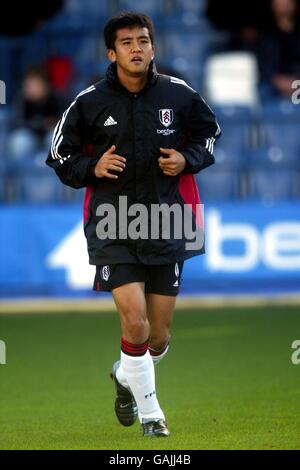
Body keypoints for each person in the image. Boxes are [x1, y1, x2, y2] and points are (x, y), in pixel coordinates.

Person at [46, 12, 220, 437]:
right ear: (112, 52)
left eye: (143, 41)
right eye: (126, 42)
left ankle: (126, 377)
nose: (136, 48)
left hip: (170, 220)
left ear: (153, 47)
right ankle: (153, 417)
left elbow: (210, 134)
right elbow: (59, 155)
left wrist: (187, 159)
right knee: (135, 324)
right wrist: (92, 166)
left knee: (156, 338)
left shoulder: (179, 95)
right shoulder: (88, 101)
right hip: (114, 223)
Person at [8, 66, 65, 161]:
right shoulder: (21, 101)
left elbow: (67, 123)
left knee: (57, 138)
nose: (30, 89)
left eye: (35, 85)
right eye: (27, 85)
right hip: (30, 138)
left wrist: (54, 123)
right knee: (20, 140)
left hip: (49, 138)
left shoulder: (57, 100)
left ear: (46, 86)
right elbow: (15, 123)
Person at [258, 0, 300, 100]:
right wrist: (278, 81)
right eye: (279, 5)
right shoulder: (266, 34)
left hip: (297, 80)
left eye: (286, 4)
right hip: (274, 83)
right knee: (263, 92)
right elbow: (264, 64)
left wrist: (296, 81)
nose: (283, 9)